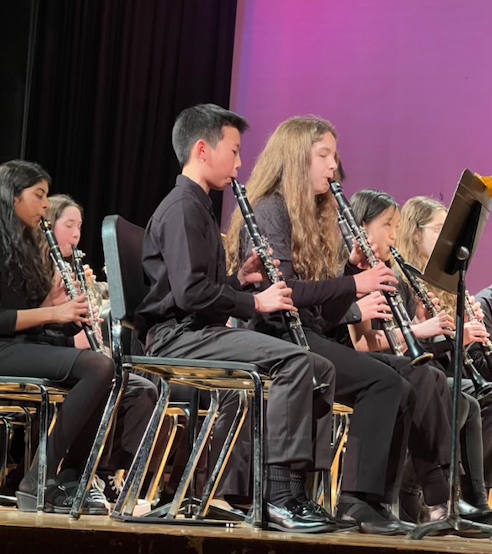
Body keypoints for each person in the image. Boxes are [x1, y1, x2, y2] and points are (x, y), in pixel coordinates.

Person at [135, 104, 342, 534]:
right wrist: (255, 303)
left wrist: (237, 279)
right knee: (295, 362)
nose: (241, 162)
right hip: (177, 338)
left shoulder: (197, 207)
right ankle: (279, 495)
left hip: (196, 329)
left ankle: (301, 490)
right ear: (203, 150)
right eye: (234, 150)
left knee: (319, 366)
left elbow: (193, 287)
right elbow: (190, 295)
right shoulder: (182, 208)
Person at [225, 115, 427, 535]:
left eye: (333, 156)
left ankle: (377, 500)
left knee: (408, 381)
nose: (334, 166)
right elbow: (284, 292)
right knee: (382, 383)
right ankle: (356, 500)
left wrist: (347, 281)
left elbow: (321, 311)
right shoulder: (270, 209)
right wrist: (355, 282)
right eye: (324, 156)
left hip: (306, 332)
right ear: (298, 159)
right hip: (275, 336)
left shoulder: (312, 218)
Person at [0, 160, 113, 514]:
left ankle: (71, 480)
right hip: (4, 350)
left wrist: (54, 300)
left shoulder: (26, 246)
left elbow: (26, 315)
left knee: (107, 368)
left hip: (21, 345)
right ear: (12, 197)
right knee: (98, 367)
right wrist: (54, 312)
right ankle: (39, 479)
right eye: (39, 195)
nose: (46, 205)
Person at [40, 194, 162, 503]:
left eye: (79, 226)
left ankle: (105, 472)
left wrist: (90, 300)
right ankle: (71, 474)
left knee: (141, 388)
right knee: (107, 380)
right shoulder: (38, 270)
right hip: (50, 357)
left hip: (78, 359)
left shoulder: (72, 272)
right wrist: (72, 341)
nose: (76, 234)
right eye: (69, 225)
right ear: (49, 226)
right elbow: (35, 331)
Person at [396, 195, 492, 514]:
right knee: (465, 399)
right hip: (406, 373)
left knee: (469, 399)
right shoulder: (401, 280)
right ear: (414, 233)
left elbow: (442, 355)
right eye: (439, 230)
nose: (447, 240)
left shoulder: (440, 286)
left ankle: (472, 499)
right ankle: (414, 489)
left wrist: (461, 338)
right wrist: (446, 335)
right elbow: (407, 346)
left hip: (438, 375)